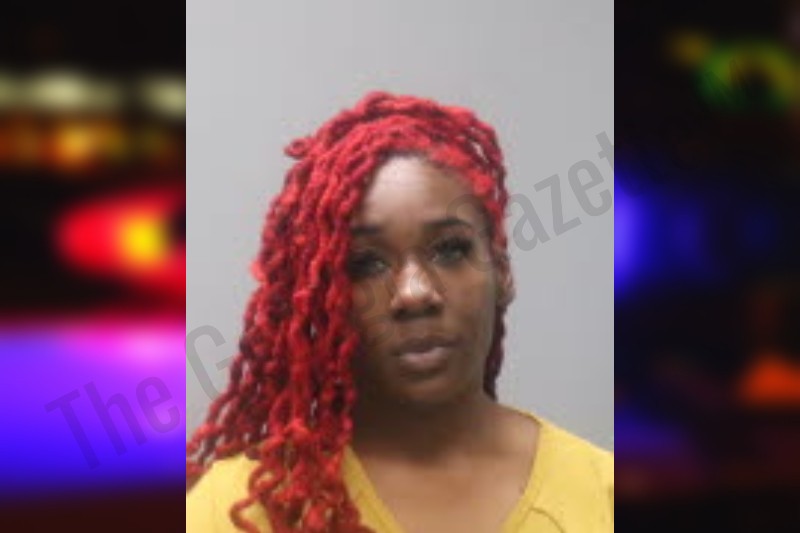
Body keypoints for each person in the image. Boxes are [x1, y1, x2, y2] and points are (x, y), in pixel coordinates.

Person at [186, 91, 613, 532]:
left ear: (502, 271)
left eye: (450, 250)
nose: (414, 294)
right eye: (365, 264)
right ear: (317, 300)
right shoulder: (235, 510)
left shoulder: (603, 494)